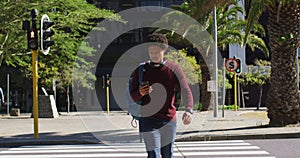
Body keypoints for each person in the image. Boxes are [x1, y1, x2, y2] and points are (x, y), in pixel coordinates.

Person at [130, 33, 193, 158]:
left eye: (156, 51)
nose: (153, 54)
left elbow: (185, 90)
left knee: (167, 155)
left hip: (169, 120)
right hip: (148, 119)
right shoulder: (141, 70)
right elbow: (133, 96)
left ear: (164, 50)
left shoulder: (173, 69)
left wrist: (189, 110)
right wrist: (141, 93)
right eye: (151, 51)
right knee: (153, 154)